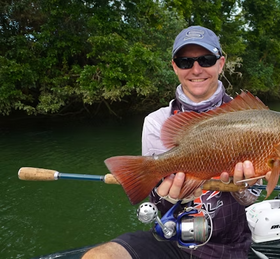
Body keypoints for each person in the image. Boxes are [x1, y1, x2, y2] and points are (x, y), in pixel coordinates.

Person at [83, 25, 264, 259]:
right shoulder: (156, 122)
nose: (196, 69)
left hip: (227, 246)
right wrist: (166, 197)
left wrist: (242, 189)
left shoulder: (250, 118)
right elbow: (157, 204)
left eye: (206, 59)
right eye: (185, 62)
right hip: (172, 240)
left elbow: (251, 198)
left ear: (221, 63)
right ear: (174, 66)